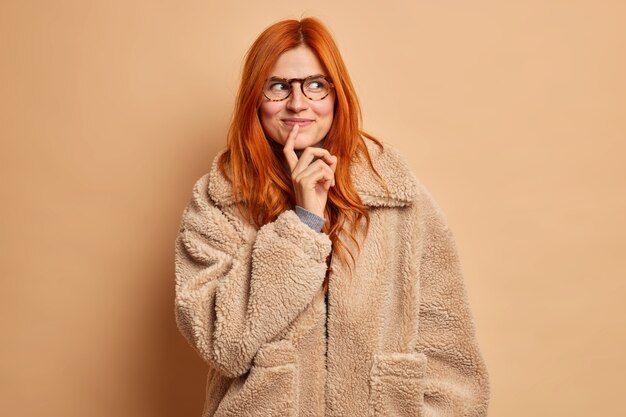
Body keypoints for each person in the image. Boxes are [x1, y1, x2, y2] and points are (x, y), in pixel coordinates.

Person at [174, 17, 490, 417]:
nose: (297, 103)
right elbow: (222, 343)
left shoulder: (395, 195)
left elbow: (451, 355)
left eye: (315, 85)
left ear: (337, 94)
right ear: (256, 98)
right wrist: (303, 222)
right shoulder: (218, 200)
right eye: (278, 86)